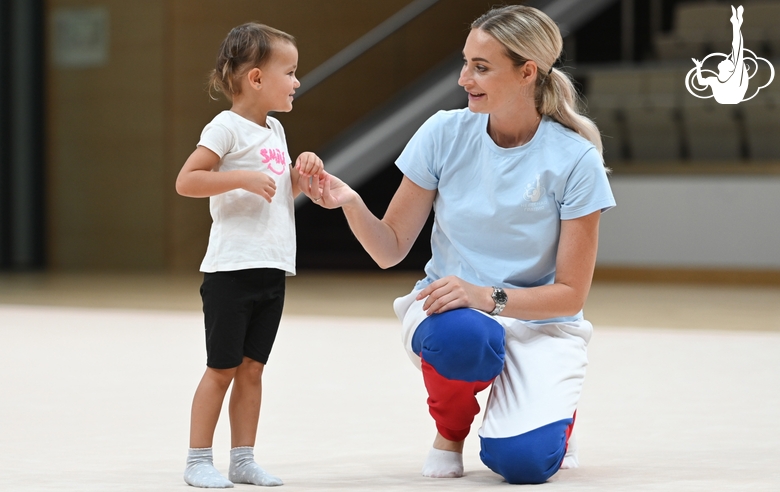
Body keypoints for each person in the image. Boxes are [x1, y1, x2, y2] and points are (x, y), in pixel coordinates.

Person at [299, 5, 615, 485]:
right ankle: (449, 435)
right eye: (465, 62)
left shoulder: (575, 159)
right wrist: (350, 201)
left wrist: (485, 295)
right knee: (466, 339)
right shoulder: (443, 131)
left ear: (527, 71)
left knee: (524, 465)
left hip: (539, 322)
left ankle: (555, 415)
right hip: (453, 317)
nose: (464, 77)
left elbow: (571, 294)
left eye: (481, 67)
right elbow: (390, 249)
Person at [175, 22, 323, 488]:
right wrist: (237, 178)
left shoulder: (276, 128)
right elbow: (188, 180)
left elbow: (280, 192)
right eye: (291, 71)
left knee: (252, 370)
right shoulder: (225, 127)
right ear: (256, 78)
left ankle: (243, 458)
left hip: (271, 267)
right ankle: (198, 459)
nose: (297, 81)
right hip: (231, 270)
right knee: (221, 369)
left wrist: (303, 174)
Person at [692, 5, 748, 104]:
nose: (725, 59)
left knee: (737, 50)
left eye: (727, 61)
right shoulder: (714, 80)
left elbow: (737, 47)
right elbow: (700, 82)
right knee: (737, 52)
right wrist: (698, 67)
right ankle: (736, 23)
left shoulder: (734, 77)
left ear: (729, 69)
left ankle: (736, 24)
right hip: (727, 98)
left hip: (733, 97)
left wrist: (736, 26)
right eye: (728, 60)